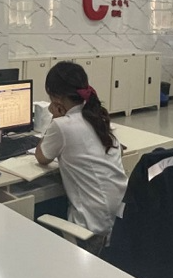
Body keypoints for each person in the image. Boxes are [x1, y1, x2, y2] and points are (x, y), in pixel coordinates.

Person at [35, 61, 128, 255]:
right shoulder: (97, 117)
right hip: (119, 227)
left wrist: (55, 119)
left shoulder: (62, 125)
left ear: (56, 97)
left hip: (89, 234)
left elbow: (41, 157)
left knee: (36, 217)